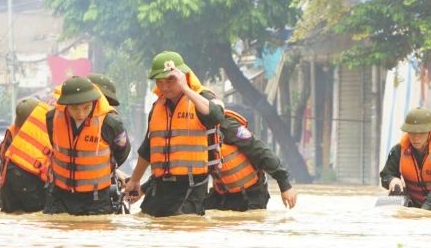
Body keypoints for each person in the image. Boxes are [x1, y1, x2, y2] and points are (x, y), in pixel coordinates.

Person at [123, 51, 225, 217]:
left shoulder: (203, 98)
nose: (164, 87)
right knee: (146, 221)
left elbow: (216, 116)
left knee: (179, 226)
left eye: (170, 80)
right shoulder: (157, 106)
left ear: (183, 76)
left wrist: (185, 88)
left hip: (190, 186)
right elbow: (148, 148)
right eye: (159, 82)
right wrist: (135, 180)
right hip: (159, 186)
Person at [44, 76, 131, 215]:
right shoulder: (52, 119)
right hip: (59, 195)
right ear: (66, 104)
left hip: (95, 198)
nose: (81, 113)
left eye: (86, 107)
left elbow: (122, 151)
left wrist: (106, 168)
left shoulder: (110, 123)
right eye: (74, 108)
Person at [205, 105, 298, 211]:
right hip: (221, 194)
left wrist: (285, 186)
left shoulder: (226, 126)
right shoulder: (193, 134)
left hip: (250, 193)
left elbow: (261, 152)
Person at [0, 97, 49, 213]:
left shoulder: (11, 132)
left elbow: (3, 161)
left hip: (7, 188)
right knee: (35, 215)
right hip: (26, 182)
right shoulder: (38, 134)